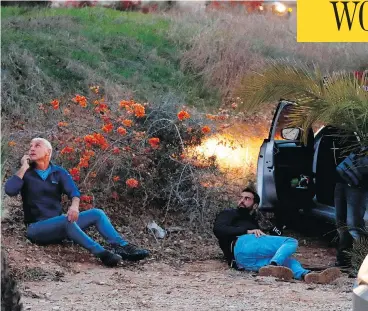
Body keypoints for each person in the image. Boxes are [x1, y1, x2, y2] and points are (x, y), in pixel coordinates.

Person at [4, 137, 150, 267]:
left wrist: (74, 207)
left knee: (97, 214)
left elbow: (74, 193)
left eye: (37, 145)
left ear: (48, 151)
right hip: (36, 229)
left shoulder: (58, 172)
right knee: (65, 220)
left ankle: (122, 246)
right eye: (30, 146)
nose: (32, 148)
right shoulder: (26, 174)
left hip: (61, 226)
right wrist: (24, 167)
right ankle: (103, 254)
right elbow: (10, 190)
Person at [213, 187, 341, 283]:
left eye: (247, 199)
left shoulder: (254, 221)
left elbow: (268, 234)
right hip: (241, 243)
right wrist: (246, 231)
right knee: (290, 242)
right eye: (241, 198)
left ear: (255, 205)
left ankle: (307, 276)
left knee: (289, 261)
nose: (242, 201)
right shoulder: (229, 213)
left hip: (242, 263)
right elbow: (219, 229)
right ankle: (274, 265)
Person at [335, 146, 368, 267]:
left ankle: (361, 264)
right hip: (342, 179)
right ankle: (343, 260)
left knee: (355, 226)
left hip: (358, 183)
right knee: (341, 223)